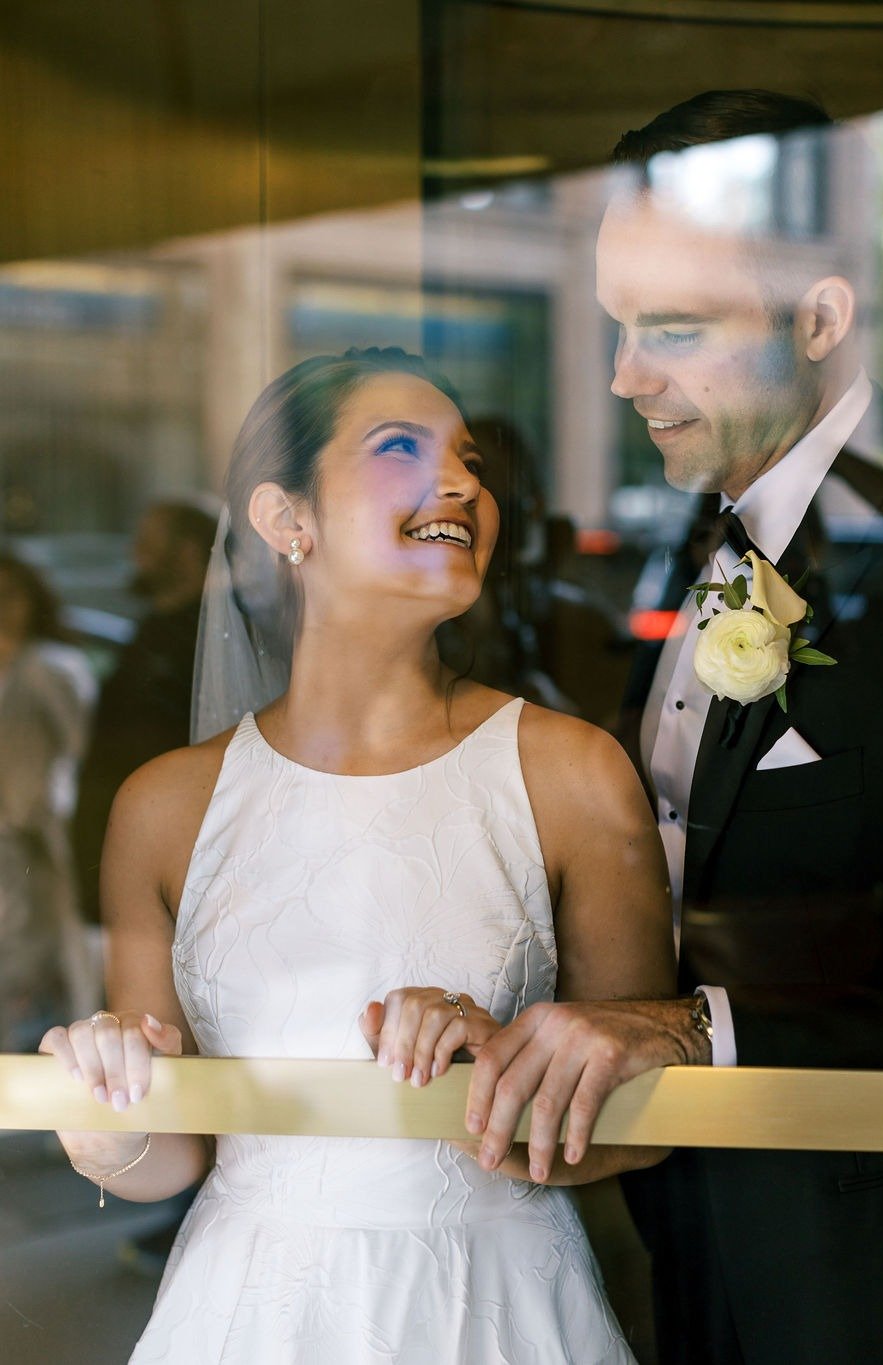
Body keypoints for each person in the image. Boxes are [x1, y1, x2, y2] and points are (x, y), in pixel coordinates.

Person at [458, 91, 883, 1365]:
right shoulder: (693, 545)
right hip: (685, 1210)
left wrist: (705, 1030)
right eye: (616, 327)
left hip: (872, 1250)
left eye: (673, 328)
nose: (620, 377)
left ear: (819, 318)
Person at [40, 348, 676, 1363]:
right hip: (249, 1312)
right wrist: (103, 1119)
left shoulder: (573, 775)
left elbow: (648, 1124)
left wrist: (501, 1062)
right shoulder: (163, 808)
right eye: (399, 449)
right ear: (285, 521)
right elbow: (172, 1161)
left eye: (469, 459)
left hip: (498, 1309)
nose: (464, 483)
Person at [72, 499, 218, 926]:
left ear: (188, 551)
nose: (135, 553)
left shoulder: (201, 640)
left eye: (148, 542)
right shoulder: (151, 630)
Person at [0, 552, 96, 1049]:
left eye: (12, 594)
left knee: (42, 955)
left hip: (36, 837)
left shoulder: (48, 667)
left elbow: (83, 748)